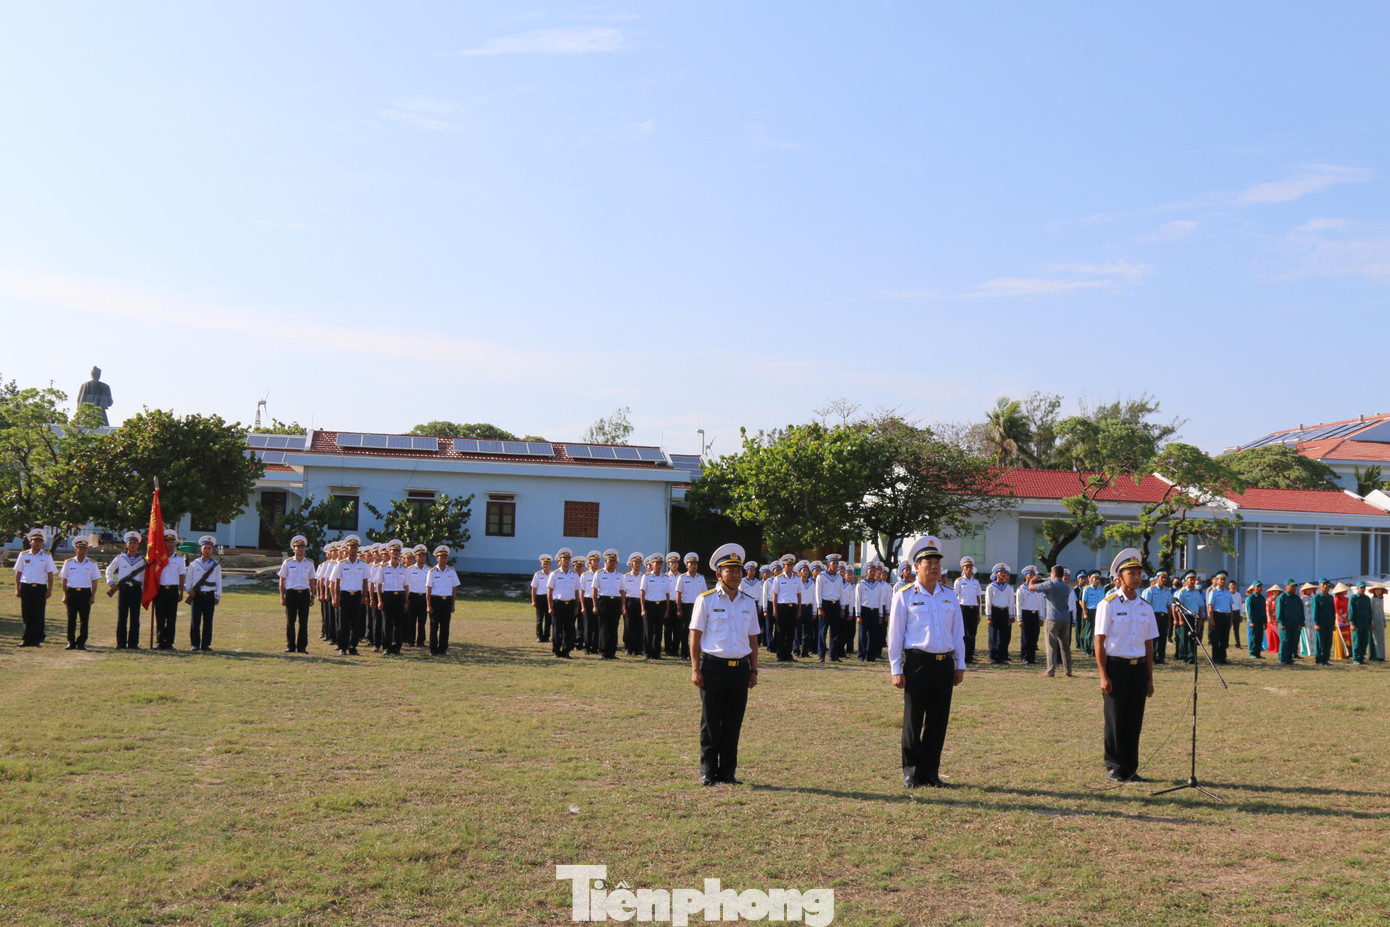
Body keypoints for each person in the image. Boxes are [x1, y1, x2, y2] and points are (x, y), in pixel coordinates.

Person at [888, 536, 965, 789]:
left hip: (943, 664)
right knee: (913, 719)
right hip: (918, 663)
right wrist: (896, 668)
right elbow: (895, 634)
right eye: (928, 561)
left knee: (938, 720)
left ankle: (931, 773)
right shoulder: (905, 595)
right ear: (916, 566)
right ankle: (912, 772)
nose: (934, 566)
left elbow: (957, 633)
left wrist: (960, 664)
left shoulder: (949, 596)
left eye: (937, 562)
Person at [689, 543, 760, 786]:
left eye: (739, 571)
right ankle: (708, 771)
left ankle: (728, 772)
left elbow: (753, 638)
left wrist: (754, 669)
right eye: (730, 571)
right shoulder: (705, 600)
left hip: (739, 669)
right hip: (713, 668)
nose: (737, 575)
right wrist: (695, 668)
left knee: (733, 723)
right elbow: (695, 636)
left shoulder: (748, 602)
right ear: (719, 575)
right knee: (711, 721)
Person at [1094, 548, 1159, 783]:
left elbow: (1149, 645)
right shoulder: (1108, 604)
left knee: (1134, 721)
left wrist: (1149, 678)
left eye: (1139, 572)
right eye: (1132, 573)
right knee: (1115, 720)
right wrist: (1103, 675)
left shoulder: (1145, 606)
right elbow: (1099, 641)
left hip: (1138, 669)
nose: (1138, 577)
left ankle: (1131, 768)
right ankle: (1114, 767)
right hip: (1116, 668)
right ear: (1119, 577)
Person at [1027, 564, 1075, 678]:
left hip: (1053, 618)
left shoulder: (1050, 584)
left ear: (1053, 573)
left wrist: (1032, 580)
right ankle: (1068, 671)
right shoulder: (1067, 586)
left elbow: (1031, 588)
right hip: (1065, 618)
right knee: (1065, 646)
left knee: (1051, 645)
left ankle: (1050, 671)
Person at [13, 528, 56, 647]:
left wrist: (50, 589)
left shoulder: (47, 556)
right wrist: (17, 588)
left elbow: (50, 574)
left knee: (38, 614)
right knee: (26, 614)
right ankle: (26, 639)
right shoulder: (23, 555)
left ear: (43, 543)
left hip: (40, 588)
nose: (37, 543)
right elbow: (18, 572)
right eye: (35, 540)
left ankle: (37, 640)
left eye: (39, 541)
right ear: (30, 542)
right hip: (26, 587)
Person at [105, 530, 146, 649]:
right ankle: (121, 643)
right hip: (123, 590)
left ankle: (133, 643)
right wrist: (111, 583)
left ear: (138, 545)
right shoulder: (120, 558)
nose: (132, 545)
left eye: (135, 543)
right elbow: (109, 570)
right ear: (126, 545)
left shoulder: (143, 560)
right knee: (122, 617)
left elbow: (144, 578)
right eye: (130, 543)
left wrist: (143, 592)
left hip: (136, 590)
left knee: (135, 618)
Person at [60, 537, 102, 650]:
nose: (82, 551)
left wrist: (93, 596)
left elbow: (95, 581)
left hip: (85, 593)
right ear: (76, 550)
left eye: (84, 549)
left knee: (84, 619)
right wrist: (64, 594)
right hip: (72, 592)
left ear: (87, 551)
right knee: (71, 619)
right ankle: (71, 641)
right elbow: (64, 580)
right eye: (80, 549)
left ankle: (82, 642)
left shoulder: (92, 564)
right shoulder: (68, 563)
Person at [330, 535, 370, 656]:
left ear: (358, 549)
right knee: (344, 623)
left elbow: (365, 582)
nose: (353, 549)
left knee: (356, 623)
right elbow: (336, 582)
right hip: (345, 595)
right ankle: (343, 647)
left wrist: (364, 596)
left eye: (355, 547)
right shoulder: (341, 564)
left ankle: (353, 647)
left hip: (357, 595)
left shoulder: (363, 564)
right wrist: (335, 597)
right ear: (347, 549)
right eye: (351, 547)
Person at [277, 535, 316, 653]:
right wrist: (282, 597)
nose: (300, 549)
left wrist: (312, 596)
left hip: (304, 594)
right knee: (290, 621)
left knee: (303, 622)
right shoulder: (287, 562)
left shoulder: (309, 563)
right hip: (291, 594)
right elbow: (282, 580)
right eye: (298, 547)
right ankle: (290, 645)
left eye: (302, 547)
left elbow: (312, 580)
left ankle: (302, 647)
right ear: (293, 549)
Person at [184, 536, 222, 652]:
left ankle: (206, 644)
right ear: (201, 549)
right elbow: (188, 578)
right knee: (195, 621)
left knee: (208, 621)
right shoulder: (194, 564)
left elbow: (219, 581)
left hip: (209, 595)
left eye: (209, 548)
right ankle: (195, 644)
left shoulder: (216, 565)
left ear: (212, 550)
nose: (207, 550)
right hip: (197, 595)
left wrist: (218, 596)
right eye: (205, 548)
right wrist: (189, 590)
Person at [153, 529, 185, 650]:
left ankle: (170, 642)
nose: (170, 544)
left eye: (172, 542)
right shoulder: (158, 557)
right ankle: (160, 641)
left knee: (171, 618)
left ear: (176, 543)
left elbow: (182, 576)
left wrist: (181, 592)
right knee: (160, 617)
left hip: (173, 590)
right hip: (160, 590)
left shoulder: (180, 559)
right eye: (167, 542)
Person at [547, 548, 582, 658]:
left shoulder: (574, 575)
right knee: (557, 629)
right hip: (558, 604)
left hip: (570, 604)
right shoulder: (555, 574)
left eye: (568, 559)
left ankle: (566, 651)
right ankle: (556, 651)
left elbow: (577, 592)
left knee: (569, 629)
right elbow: (549, 592)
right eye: (564, 559)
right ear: (560, 560)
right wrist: (550, 606)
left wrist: (577, 606)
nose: (567, 561)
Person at [426, 545, 460, 655]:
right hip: (435, 601)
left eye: (445, 557)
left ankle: (443, 648)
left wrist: (453, 604)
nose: (443, 559)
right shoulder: (432, 571)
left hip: (447, 601)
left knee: (445, 626)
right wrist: (428, 605)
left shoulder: (451, 571)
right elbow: (428, 589)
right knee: (434, 626)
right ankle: (433, 649)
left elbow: (454, 588)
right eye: (441, 557)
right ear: (436, 558)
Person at [674, 552, 707, 662]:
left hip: (697, 607)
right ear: (686, 565)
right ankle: (684, 653)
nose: (693, 566)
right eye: (691, 564)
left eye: (695, 564)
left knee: (698, 631)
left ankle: (696, 653)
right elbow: (678, 593)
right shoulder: (682, 578)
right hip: (685, 606)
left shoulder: (701, 578)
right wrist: (678, 608)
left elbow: (705, 594)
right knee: (684, 631)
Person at [593, 549, 624, 660]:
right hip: (603, 601)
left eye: (614, 561)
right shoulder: (599, 573)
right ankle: (602, 651)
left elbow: (622, 591)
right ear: (605, 561)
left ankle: (612, 652)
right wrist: (595, 605)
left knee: (613, 628)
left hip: (615, 601)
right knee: (603, 627)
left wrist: (622, 606)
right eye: (610, 561)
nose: (612, 563)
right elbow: (595, 590)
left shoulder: (620, 575)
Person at [814, 553, 846, 663]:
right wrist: (819, 607)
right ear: (828, 564)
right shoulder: (821, 576)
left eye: (837, 563)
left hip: (835, 605)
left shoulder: (839, 577)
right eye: (834, 563)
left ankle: (833, 655)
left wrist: (842, 608)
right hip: (825, 605)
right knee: (823, 631)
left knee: (835, 632)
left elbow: (841, 592)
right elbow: (818, 592)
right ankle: (821, 655)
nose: (836, 565)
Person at [983, 563, 1015, 665]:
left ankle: (1001, 657)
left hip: (1004, 612)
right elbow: (988, 602)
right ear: (996, 574)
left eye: (1004, 572)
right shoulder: (991, 587)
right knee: (993, 635)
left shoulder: (1009, 588)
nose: (1003, 574)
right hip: (995, 611)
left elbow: (1011, 602)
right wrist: (989, 616)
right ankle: (993, 656)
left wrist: (1011, 615)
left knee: (1003, 635)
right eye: (1001, 572)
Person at [770, 554, 801, 662]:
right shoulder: (778, 579)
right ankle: (780, 654)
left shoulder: (797, 578)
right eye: (788, 565)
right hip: (782, 607)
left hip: (793, 607)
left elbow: (799, 595)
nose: (790, 567)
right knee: (780, 632)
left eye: (791, 565)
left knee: (791, 632)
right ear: (784, 566)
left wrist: (799, 610)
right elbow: (775, 595)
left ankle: (788, 654)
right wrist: (774, 609)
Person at [953, 557, 983, 664]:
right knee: (963, 633)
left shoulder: (975, 582)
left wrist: (979, 614)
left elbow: (978, 598)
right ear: (963, 568)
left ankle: (970, 656)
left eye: (970, 567)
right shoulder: (959, 581)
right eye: (967, 567)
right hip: (963, 609)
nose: (969, 569)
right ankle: (962, 656)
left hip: (973, 609)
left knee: (972, 633)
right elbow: (955, 597)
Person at [1172, 572, 1206, 665]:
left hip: (1194, 617)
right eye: (1190, 579)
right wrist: (1180, 619)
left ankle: (1191, 657)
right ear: (1186, 581)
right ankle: (1183, 656)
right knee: (1184, 638)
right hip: (1185, 616)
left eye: (1194, 579)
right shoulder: (1181, 592)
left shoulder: (1196, 593)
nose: (1192, 581)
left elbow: (1199, 607)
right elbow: (1178, 608)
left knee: (1193, 638)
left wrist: (1200, 619)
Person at [1140, 571, 1173, 664]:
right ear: (1157, 578)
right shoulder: (1150, 590)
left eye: (1165, 578)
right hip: (1154, 616)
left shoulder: (1167, 591)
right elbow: (1146, 606)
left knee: (1163, 638)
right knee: (1153, 638)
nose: (1164, 579)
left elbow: (1169, 606)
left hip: (1164, 616)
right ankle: (1152, 657)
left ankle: (1161, 657)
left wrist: (1169, 619)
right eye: (1162, 577)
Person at [639, 553, 668, 660]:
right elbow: (642, 593)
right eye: (657, 563)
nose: (659, 565)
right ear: (652, 564)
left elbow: (667, 594)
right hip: (649, 605)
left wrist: (666, 609)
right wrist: (643, 608)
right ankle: (647, 653)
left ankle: (656, 653)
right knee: (648, 630)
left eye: (661, 563)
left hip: (661, 605)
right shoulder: (646, 577)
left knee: (659, 630)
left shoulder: (665, 577)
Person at [1015, 565, 1043, 664]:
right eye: (1030, 574)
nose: (1032, 576)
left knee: (1034, 637)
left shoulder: (1038, 588)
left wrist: (1041, 617)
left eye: (1034, 574)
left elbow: (1041, 603)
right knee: (1026, 637)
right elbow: (1018, 604)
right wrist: (1019, 618)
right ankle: (1025, 657)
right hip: (1026, 614)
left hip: (1035, 614)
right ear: (1026, 576)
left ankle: (1032, 657)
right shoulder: (1021, 589)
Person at [1204, 571, 1233, 665]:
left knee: (1225, 638)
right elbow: (1210, 606)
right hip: (1218, 616)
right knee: (1216, 638)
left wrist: (1231, 619)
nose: (1223, 581)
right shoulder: (1214, 592)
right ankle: (1216, 658)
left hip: (1227, 616)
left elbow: (1230, 606)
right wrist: (1211, 619)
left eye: (1224, 579)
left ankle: (1223, 657)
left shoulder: (1228, 592)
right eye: (1221, 579)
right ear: (1216, 580)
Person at [621, 552, 645, 656]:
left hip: (640, 602)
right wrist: (624, 606)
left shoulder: (644, 577)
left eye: (640, 563)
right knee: (628, 626)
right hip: (630, 602)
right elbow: (623, 593)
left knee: (640, 627)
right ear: (631, 564)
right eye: (636, 562)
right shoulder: (625, 577)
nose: (638, 564)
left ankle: (638, 648)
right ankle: (628, 648)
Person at [1275, 580, 1304, 665]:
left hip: (1295, 624)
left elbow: (1300, 611)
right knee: (1285, 641)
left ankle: (1289, 658)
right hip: (1285, 624)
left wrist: (1301, 623)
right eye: (1292, 586)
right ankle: (1283, 658)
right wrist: (1281, 623)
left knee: (1293, 641)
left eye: (1295, 586)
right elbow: (1279, 611)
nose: (1294, 588)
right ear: (1286, 586)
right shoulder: (1282, 597)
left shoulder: (1297, 598)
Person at [406, 545, 430, 647]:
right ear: (415, 557)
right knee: (411, 620)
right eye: (419, 556)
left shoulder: (429, 570)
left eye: (423, 555)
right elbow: (406, 584)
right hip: (413, 596)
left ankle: (421, 641)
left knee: (422, 620)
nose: (422, 558)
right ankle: (411, 640)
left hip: (424, 597)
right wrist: (406, 599)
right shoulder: (409, 569)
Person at [1081, 571, 1107, 656]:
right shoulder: (1087, 589)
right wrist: (1085, 613)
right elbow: (1084, 602)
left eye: (1098, 579)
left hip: (1098, 611)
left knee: (1097, 631)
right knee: (1089, 631)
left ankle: (1094, 649)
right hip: (1090, 610)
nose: (1097, 580)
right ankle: (1087, 649)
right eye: (1095, 579)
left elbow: (1103, 602)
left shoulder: (1101, 590)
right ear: (1091, 580)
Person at [1310, 579, 1336, 665]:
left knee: (1328, 642)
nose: (1326, 586)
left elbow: (1333, 612)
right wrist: (1316, 623)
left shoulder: (1330, 597)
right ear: (1319, 586)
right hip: (1320, 624)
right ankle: (1319, 660)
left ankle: (1326, 659)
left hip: (1329, 623)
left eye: (1327, 584)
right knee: (1319, 642)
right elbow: (1314, 611)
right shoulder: (1316, 598)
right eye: (1323, 584)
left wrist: (1333, 623)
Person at [1349, 582, 1373, 665]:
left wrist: (1370, 623)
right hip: (1357, 623)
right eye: (1361, 587)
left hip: (1366, 623)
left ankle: (1361, 658)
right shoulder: (1353, 598)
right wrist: (1352, 623)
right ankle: (1356, 658)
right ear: (1357, 588)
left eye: (1364, 587)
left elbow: (1369, 611)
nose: (1363, 589)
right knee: (1357, 641)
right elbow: (1351, 611)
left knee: (1364, 641)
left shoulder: (1367, 599)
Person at [531, 555, 553, 643]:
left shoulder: (553, 574)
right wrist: (533, 600)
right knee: (540, 619)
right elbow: (534, 588)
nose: (545, 565)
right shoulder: (537, 574)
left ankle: (546, 636)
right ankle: (539, 636)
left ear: (550, 565)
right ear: (541, 564)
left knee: (548, 619)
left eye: (547, 564)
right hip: (540, 598)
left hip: (549, 598)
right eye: (544, 564)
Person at [1244, 582, 1267, 658]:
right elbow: (1249, 611)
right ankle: (1252, 653)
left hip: (1260, 621)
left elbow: (1264, 610)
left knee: (1259, 637)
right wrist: (1251, 621)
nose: (1259, 588)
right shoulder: (1250, 598)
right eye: (1257, 587)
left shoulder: (1262, 598)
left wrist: (1265, 621)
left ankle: (1258, 653)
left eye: (1260, 587)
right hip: (1254, 621)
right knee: (1253, 637)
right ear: (1253, 588)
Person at [1368, 583, 1387, 662]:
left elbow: (1382, 611)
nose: (1378, 591)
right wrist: (1372, 621)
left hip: (1380, 620)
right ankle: (1375, 655)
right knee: (1375, 637)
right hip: (1375, 619)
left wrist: (1384, 621)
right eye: (1377, 590)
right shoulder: (1372, 600)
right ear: (1374, 591)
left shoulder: (1381, 599)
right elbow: (1371, 611)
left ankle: (1381, 655)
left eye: (1380, 590)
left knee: (1381, 638)